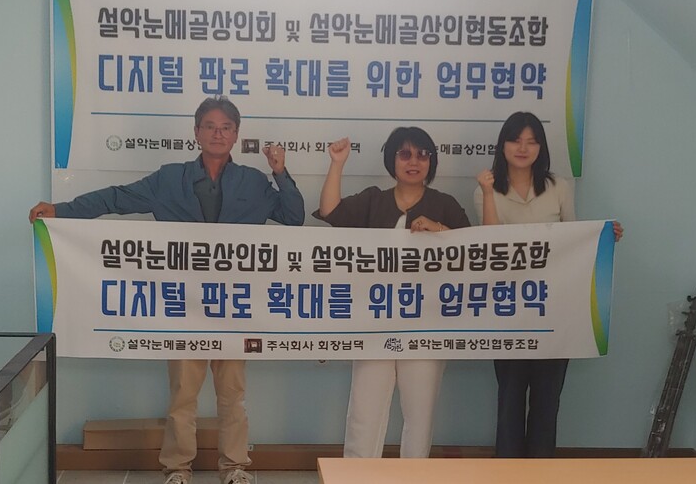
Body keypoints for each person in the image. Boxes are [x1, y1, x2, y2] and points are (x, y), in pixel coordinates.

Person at [29, 96, 304, 484]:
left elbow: (294, 217)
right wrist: (62, 209)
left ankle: (235, 466)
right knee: (182, 395)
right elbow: (116, 197)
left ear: (236, 135)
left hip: (235, 305)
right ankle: (177, 468)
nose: (218, 134)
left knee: (232, 395)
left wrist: (280, 172)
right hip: (183, 304)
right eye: (210, 126)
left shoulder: (255, 182)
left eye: (226, 127)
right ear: (196, 133)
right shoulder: (169, 179)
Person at [315, 127, 470, 459]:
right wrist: (337, 163)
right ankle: (356, 478)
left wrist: (439, 230)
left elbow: (473, 252)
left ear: (432, 161)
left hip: (426, 325)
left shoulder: (445, 204)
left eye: (422, 155)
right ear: (392, 160)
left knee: (420, 416)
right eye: (405, 154)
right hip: (374, 324)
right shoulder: (374, 200)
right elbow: (330, 211)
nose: (414, 162)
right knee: (364, 413)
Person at [474, 111, 622, 459]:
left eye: (531, 141)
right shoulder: (486, 188)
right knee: (510, 399)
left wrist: (603, 237)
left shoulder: (559, 187)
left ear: (541, 147)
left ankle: (541, 471)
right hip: (508, 309)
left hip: (555, 310)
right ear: (503, 145)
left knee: (547, 400)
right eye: (515, 140)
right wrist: (488, 192)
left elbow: (573, 240)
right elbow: (490, 244)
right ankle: (507, 472)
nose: (523, 148)